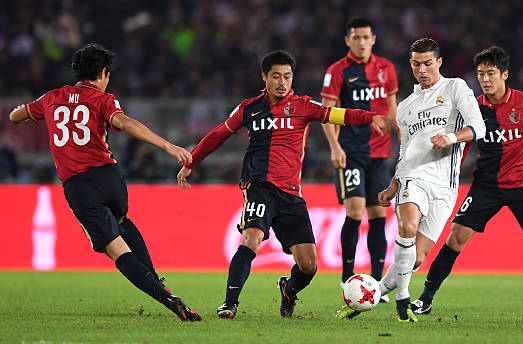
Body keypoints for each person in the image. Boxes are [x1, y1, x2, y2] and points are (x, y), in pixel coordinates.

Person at [176, 49, 391, 319]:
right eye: (276, 76)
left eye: (287, 76)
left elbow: (339, 115)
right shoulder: (249, 108)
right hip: (259, 186)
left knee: (309, 265)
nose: (282, 82)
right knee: (251, 238)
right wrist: (191, 161)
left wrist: (371, 117)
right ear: (264, 77)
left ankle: (288, 290)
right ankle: (230, 303)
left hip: (291, 194)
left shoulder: (304, 106)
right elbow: (219, 134)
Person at [9, 43, 201, 322]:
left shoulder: (52, 97)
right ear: (102, 73)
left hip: (79, 185)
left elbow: (16, 116)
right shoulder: (103, 99)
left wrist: (23, 110)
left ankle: (166, 298)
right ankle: (158, 282)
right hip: (109, 176)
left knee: (117, 250)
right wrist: (168, 146)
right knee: (123, 220)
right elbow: (123, 123)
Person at [410, 46, 523, 317]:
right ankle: (425, 299)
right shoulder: (474, 107)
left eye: (491, 73)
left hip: (522, 185)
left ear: (505, 74)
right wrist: (451, 172)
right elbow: (464, 143)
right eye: (480, 74)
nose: (485, 79)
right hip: (485, 186)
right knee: (455, 238)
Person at [337, 38, 485, 322]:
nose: (422, 70)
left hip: (445, 187)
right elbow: (405, 153)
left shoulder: (455, 88)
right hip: (413, 178)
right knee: (407, 224)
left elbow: (478, 127)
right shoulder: (405, 108)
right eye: (416, 64)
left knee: (416, 259)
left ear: (439, 63)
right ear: (411, 65)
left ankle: (371, 294)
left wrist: (451, 137)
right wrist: (394, 184)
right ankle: (402, 299)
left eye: (428, 63)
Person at [320, 17, 398, 297]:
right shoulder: (337, 71)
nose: (362, 42)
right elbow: (326, 113)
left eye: (366, 37)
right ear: (348, 40)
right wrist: (335, 147)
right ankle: (347, 278)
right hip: (351, 151)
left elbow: (392, 108)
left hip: (380, 153)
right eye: (357, 37)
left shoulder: (386, 68)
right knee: (354, 211)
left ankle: (377, 284)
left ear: (373, 39)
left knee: (378, 214)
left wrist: (402, 139)